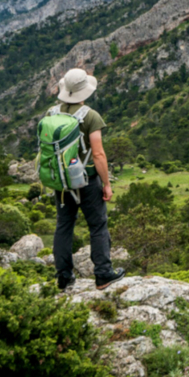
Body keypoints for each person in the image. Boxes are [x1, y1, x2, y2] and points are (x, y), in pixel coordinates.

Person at [51, 68, 125, 291]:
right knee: (98, 225)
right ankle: (103, 274)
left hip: (62, 182)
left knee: (64, 225)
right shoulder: (90, 115)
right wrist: (107, 184)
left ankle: (63, 277)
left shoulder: (52, 113)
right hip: (87, 180)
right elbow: (99, 153)